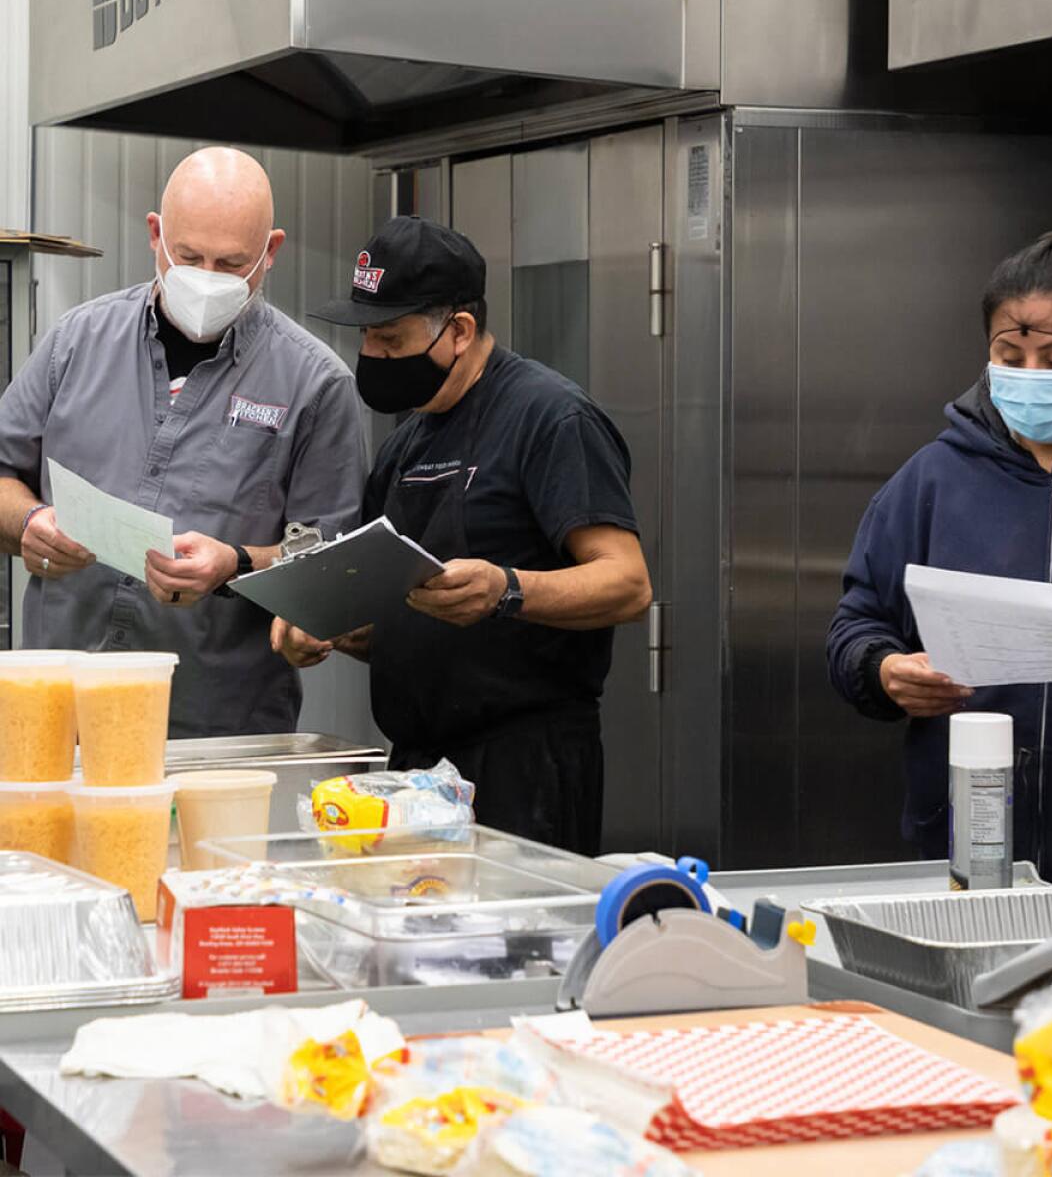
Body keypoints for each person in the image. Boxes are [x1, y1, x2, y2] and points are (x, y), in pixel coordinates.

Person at [827, 231, 1052, 884]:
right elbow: (855, 626)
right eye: (1011, 356)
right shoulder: (932, 480)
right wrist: (884, 670)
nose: (1032, 379)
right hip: (963, 857)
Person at [272, 216, 651, 853]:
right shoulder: (406, 443)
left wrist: (507, 590)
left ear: (460, 330)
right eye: (367, 338)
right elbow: (396, 615)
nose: (374, 358)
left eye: (391, 339)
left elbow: (628, 582)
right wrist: (328, 627)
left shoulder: (550, 417)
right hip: (418, 773)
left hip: (526, 770)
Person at [0, 147, 366, 736]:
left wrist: (236, 565)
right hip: (59, 714)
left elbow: (332, 559)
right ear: (155, 235)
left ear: (270, 252)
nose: (206, 279)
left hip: (214, 729)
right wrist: (30, 523)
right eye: (189, 256)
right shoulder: (77, 341)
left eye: (230, 263)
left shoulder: (316, 384)